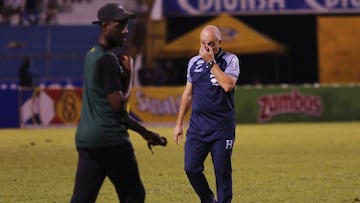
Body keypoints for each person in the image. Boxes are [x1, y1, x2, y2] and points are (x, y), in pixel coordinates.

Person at [70, 3, 166, 203]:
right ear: (105, 25)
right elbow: (117, 106)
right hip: (111, 141)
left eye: (127, 24)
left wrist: (146, 133)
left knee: (82, 199)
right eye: (120, 25)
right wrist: (129, 75)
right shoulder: (108, 60)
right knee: (134, 194)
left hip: (87, 141)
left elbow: (108, 108)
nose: (126, 30)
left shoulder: (91, 55)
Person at [173, 25, 240, 203]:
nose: (206, 48)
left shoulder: (230, 60)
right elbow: (188, 94)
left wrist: (211, 62)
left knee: (222, 172)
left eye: (211, 44)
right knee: (191, 168)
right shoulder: (194, 62)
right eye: (203, 44)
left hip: (221, 128)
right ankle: (209, 200)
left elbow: (228, 85)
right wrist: (179, 123)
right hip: (197, 128)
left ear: (220, 42)